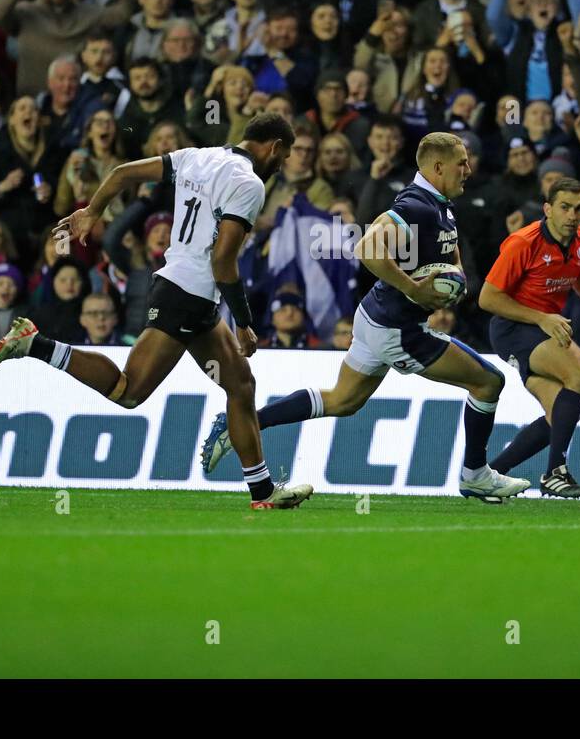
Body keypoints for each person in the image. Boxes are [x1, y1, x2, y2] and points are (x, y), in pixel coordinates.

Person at [0, 113, 313, 510]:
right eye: (285, 155)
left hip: (187, 289)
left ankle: (262, 493)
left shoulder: (197, 156)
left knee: (241, 385)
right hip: (187, 295)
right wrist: (243, 322)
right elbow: (224, 261)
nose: (282, 164)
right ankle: (34, 345)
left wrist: (93, 210)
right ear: (274, 147)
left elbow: (122, 173)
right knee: (129, 391)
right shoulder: (248, 183)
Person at [202, 131, 530, 503]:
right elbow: (367, 247)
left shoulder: (439, 205)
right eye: (462, 163)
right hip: (396, 328)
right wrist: (414, 289)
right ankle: (475, 475)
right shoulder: (415, 205)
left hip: (377, 317)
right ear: (438, 167)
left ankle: (242, 424)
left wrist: (455, 276)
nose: (468, 170)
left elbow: (446, 249)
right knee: (489, 382)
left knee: (342, 401)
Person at [479, 177, 580, 497]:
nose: (573, 215)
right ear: (547, 209)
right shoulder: (523, 242)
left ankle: (490, 476)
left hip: (544, 326)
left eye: (579, 208)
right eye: (565, 207)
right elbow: (488, 298)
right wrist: (541, 318)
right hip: (513, 327)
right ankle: (555, 473)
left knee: (557, 414)